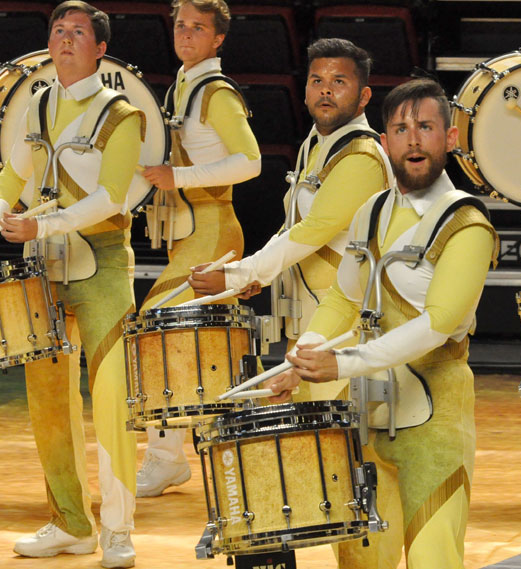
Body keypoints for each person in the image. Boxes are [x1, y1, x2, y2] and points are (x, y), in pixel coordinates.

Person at [264, 78, 498, 569]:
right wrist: (305, 355)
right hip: (362, 420)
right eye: (401, 128)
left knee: (434, 560)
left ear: (450, 138)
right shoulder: (370, 211)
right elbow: (343, 299)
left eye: (426, 127)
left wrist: (343, 362)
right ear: (386, 140)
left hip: (433, 423)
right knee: (360, 564)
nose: (413, 138)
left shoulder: (468, 224)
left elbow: (437, 325)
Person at [0, 2, 142, 566]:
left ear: (100, 49)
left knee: (110, 400)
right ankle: (71, 522)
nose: (64, 39)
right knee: (48, 403)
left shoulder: (121, 115)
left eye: (78, 32)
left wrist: (42, 222)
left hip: (103, 264)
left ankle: (118, 530)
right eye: (58, 31)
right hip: (44, 268)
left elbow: (112, 197)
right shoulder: (35, 104)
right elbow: (14, 172)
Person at [189, 38, 392, 402]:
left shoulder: (362, 157)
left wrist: (243, 273)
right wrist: (249, 276)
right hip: (311, 320)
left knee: (333, 444)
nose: (325, 89)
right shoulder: (315, 144)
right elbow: (291, 225)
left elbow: (314, 230)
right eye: (316, 80)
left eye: (339, 81)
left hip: (348, 324)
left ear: (364, 96)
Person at [134, 0, 261, 499]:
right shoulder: (184, 84)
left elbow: (250, 162)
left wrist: (177, 176)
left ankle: (167, 457)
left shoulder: (214, 92)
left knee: (157, 328)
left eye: (198, 28)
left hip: (212, 231)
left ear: (219, 38)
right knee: (192, 346)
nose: (185, 34)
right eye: (180, 25)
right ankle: (182, 453)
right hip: (191, 232)